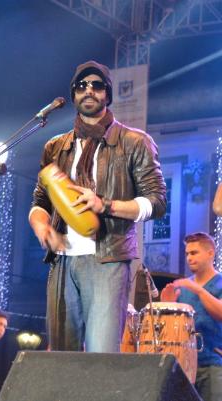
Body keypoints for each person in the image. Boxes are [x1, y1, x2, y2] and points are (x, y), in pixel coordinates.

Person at [29, 60, 167, 352]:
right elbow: (40, 201)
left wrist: (105, 205)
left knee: (101, 354)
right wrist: (42, 227)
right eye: (81, 86)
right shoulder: (56, 147)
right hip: (62, 261)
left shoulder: (134, 142)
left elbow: (156, 202)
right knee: (61, 359)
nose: (88, 90)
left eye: (97, 85)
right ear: (73, 94)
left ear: (108, 94)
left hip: (108, 259)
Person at [161, 232, 222, 401]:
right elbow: (171, 329)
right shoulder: (183, 286)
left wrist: (198, 290)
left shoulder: (219, 283)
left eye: (194, 253)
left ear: (210, 253)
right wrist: (168, 305)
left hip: (213, 365)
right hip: (183, 367)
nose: (189, 258)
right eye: (187, 253)